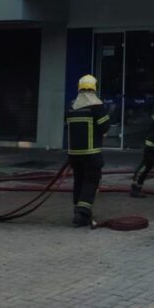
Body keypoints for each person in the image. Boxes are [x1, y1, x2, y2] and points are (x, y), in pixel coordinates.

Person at [65, 74, 110, 227]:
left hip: (73, 154)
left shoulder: (71, 106)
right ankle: (82, 213)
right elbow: (105, 126)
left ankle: (79, 211)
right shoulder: (97, 106)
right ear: (94, 88)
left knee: (79, 181)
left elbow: (68, 126)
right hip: (91, 153)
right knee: (91, 180)